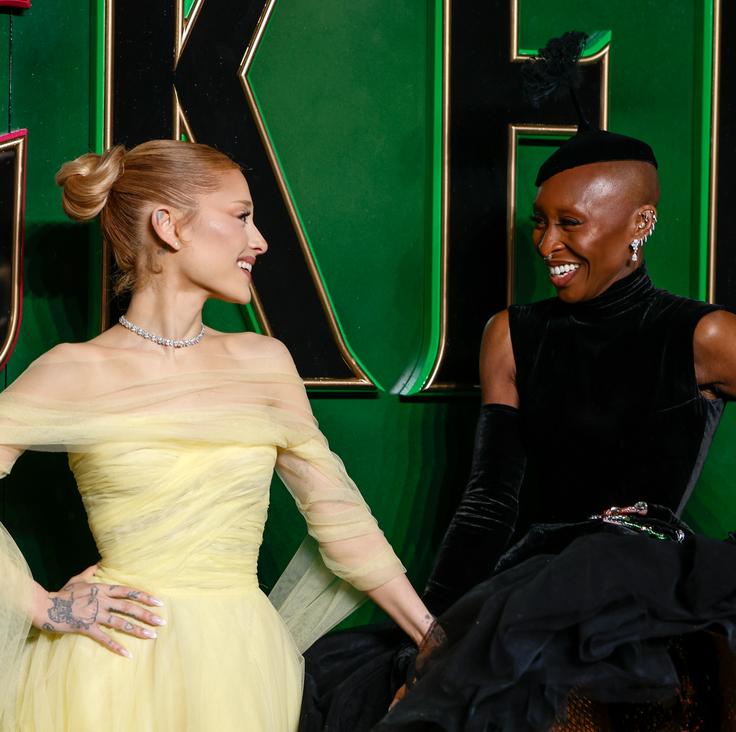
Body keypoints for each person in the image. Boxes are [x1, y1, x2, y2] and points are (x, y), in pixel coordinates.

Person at [302, 35, 736, 732]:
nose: (545, 245)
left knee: (599, 557)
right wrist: (434, 631)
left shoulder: (706, 335)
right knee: (364, 678)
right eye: (540, 224)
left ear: (641, 223)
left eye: (570, 224)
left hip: (636, 569)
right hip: (527, 574)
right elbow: (487, 500)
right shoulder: (512, 333)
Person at [0, 139, 435, 731]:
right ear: (169, 226)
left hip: (242, 662)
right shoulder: (73, 371)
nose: (259, 240)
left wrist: (433, 638)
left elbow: (342, 521)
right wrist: (40, 606)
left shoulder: (265, 362)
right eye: (241, 216)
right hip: (111, 667)